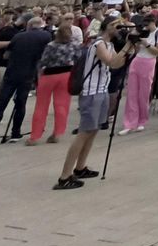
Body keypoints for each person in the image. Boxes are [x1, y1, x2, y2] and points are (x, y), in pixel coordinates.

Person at [52, 17, 135, 190]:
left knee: (93, 130)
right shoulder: (99, 44)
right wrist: (127, 46)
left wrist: (130, 48)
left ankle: (80, 167)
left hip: (102, 90)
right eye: (117, 26)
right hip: (91, 92)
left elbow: (116, 64)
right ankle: (65, 175)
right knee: (84, 132)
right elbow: (110, 61)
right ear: (108, 26)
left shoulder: (110, 45)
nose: (120, 29)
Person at [0, 17, 51, 145]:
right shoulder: (46, 36)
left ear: (29, 26)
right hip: (28, 73)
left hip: (12, 72)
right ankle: (15, 132)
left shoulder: (18, 36)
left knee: (1, 105)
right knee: (20, 104)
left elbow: (6, 55)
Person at [26, 22, 76, 145]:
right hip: (66, 74)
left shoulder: (51, 45)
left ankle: (35, 136)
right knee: (62, 105)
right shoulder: (74, 45)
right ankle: (57, 133)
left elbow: (44, 61)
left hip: (49, 74)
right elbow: (77, 58)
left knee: (41, 105)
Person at [119, 14, 158, 135]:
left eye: (147, 24)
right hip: (137, 60)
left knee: (143, 93)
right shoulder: (143, 32)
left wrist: (147, 44)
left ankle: (141, 120)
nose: (146, 27)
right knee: (131, 93)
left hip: (149, 62)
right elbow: (136, 48)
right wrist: (136, 41)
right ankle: (129, 122)